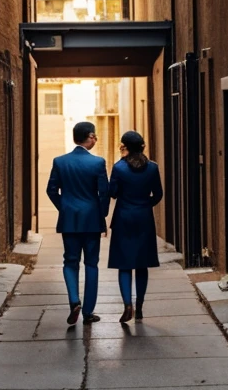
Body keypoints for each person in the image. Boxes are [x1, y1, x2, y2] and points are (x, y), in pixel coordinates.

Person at [46, 121, 109, 326]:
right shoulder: (98, 163)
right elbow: (104, 194)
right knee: (91, 263)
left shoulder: (60, 161)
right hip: (91, 219)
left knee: (70, 262)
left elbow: (51, 190)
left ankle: (74, 300)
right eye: (95, 136)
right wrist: (103, 215)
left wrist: (64, 207)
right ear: (90, 137)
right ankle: (88, 311)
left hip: (70, 219)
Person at [108, 130, 164, 323]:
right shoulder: (153, 168)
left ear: (125, 147)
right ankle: (140, 305)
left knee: (124, 264)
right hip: (144, 218)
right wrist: (144, 205)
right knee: (142, 264)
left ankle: (127, 305)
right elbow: (158, 194)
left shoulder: (119, 168)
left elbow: (113, 193)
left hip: (123, 218)